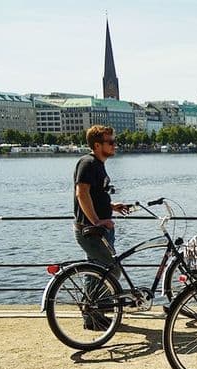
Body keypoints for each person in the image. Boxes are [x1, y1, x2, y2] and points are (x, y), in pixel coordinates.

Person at [73, 125, 130, 330]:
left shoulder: (98, 164)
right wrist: (96, 221)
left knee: (96, 271)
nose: (115, 145)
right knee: (110, 269)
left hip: (100, 228)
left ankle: (94, 315)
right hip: (91, 230)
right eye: (110, 142)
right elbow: (82, 193)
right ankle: (93, 314)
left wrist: (111, 206)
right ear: (97, 145)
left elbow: (95, 195)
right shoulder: (88, 163)